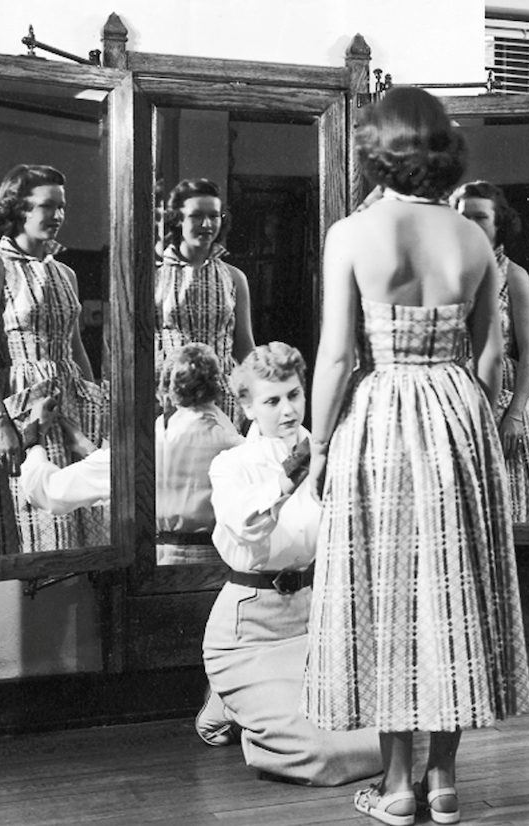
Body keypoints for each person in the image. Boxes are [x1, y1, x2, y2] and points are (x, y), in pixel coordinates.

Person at [304, 87, 529, 826]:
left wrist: (318, 448)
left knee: (387, 591)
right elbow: (493, 356)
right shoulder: (471, 238)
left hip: (383, 411)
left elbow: (337, 357)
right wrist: (473, 416)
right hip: (456, 410)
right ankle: (446, 783)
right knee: (453, 589)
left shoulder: (353, 234)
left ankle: (397, 787)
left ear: (379, 150)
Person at [198, 342, 381, 785]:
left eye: (295, 395)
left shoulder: (330, 450)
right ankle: (244, 709)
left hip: (313, 619)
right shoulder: (231, 465)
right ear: (246, 405)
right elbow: (246, 527)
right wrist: (292, 474)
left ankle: (236, 703)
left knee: (395, 735)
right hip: (248, 631)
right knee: (323, 755)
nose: (287, 410)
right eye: (272, 400)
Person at [0, 164, 109, 558]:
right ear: (18, 210)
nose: (58, 216)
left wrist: (96, 402)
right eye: (48, 206)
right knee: (26, 519)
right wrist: (0, 423)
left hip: (71, 400)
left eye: (62, 207)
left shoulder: (65, 273)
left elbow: (76, 346)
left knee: (79, 520)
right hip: (20, 404)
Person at [452, 180, 529, 523]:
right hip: (453, 397)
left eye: (480, 217)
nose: (470, 225)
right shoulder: (445, 273)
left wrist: (515, 413)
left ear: (500, 225)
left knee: (503, 509)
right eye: (463, 217)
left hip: (503, 398)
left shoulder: (515, 276)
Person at [155, 178, 254, 427]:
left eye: (214, 215)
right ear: (178, 219)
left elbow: (244, 347)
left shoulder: (233, 277)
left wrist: (258, 395)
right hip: (171, 397)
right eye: (197, 216)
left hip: (223, 397)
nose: (207, 224)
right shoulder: (155, 277)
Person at [155, 343, 244, 565]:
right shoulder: (232, 442)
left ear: (168, 388)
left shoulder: (156, 438)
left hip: (157, 559)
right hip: (212, 562)